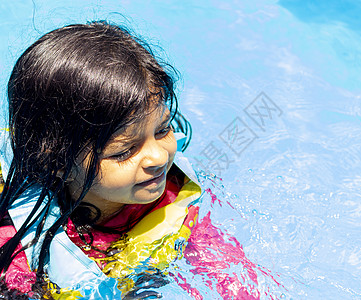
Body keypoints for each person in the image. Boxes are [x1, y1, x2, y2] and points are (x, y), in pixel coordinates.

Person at [0, 21, 267, 300]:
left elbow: (234, 279)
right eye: (125, 151)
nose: (159, 156)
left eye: (162, 129)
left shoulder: (177, 202)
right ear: (57, 163)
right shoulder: (17, 247)